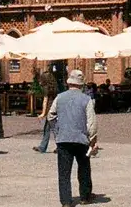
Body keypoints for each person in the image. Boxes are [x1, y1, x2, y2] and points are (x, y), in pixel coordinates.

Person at [49, 70, 99, 206]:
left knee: (64, 172)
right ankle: (85, 196)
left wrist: (57, 131)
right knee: (84, 168)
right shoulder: (87, 100)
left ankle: (66, 201)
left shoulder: (59, 97)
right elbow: (92, 122)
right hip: (81, 138)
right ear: (81, 84)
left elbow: (51, 116)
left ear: (69, 83)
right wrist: (92, 138)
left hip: (63, 139)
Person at [34, 81, 56, 153]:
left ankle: (59, 147)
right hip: (56, 109)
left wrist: (43, 113)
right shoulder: (56, 87)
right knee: (49, 129)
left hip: (50, 111)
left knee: (53, 130)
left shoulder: (47, 89)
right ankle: (43, 147)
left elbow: (45, 101)